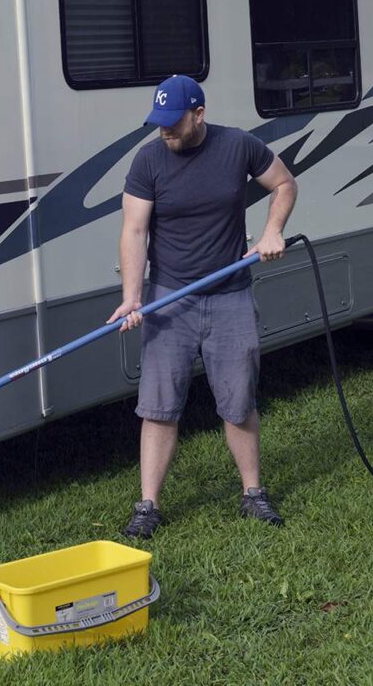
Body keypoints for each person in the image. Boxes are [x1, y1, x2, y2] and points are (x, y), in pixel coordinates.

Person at [107, 75, 298, 538]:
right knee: (158, 405)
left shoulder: (238, 147)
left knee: (237, 401)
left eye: (174, 123)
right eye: (160, 124)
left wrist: (273, 230)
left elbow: (285, 184)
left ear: (199, 114)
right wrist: (133, 296)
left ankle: (253, 493)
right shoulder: (148, 160)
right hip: (170, 299)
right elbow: (134, 230)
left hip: (230, 293)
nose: (166, 132)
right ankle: (148, 504)